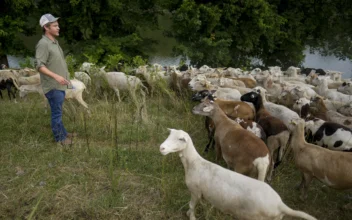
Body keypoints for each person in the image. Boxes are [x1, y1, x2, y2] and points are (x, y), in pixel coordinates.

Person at [35, 13, 76, 145]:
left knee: (58, 111)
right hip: (53, 86)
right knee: (56, 114)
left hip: (60, 85)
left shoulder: (54, 42)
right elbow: (39, 66)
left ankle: (63, 133)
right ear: (46, 28)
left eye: (58, 25)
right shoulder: (43, 44)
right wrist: (56, 76)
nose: (58, 28)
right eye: (55, 25)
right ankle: (60, 139)